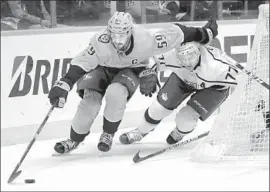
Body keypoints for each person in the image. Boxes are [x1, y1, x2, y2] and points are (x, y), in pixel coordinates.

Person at [48, 11, 218, 154]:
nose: (118, 41)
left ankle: (108, 134)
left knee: (116, 94)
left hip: (130, 69)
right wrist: (64, 83)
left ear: (129, 32)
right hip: (102, 68)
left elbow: (179, 33)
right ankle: (74, 139)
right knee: (89, 103)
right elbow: (82, 62)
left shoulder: (145, 40)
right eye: (114, 35)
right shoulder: (100, 41)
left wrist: (206, 33)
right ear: (108, 32)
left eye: (122, 35)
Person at [119, 41, 240, 145]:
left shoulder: (216, 68)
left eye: (191, 56)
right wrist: (147, 73)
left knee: (186, 119)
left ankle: (180, 132)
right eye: (183, 57)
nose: (188, 62)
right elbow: (149, 60)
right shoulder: (172, 56)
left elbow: (243, 79)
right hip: (183, 79)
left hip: (214, 87)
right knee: (158, 109)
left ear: (198, 52)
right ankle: (141, 131)